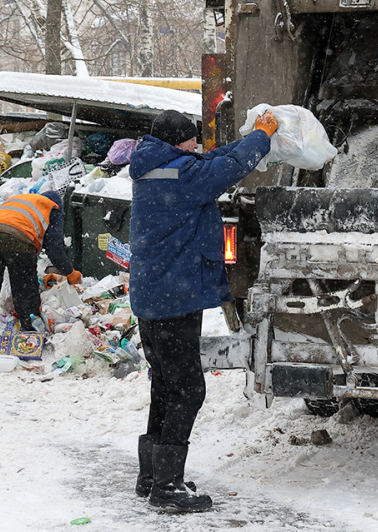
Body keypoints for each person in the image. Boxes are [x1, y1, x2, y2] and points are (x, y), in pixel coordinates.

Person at [129, 108, 277, 513]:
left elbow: (211, 159)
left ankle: (152, 476)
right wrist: (262, 136)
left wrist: (248, 139)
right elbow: (226, 168)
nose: (197, 144)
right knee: (188, 390)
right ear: (178, 142)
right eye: (192, 138)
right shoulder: (182, 176)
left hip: (154, 298)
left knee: (165, 386)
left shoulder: (158, 168)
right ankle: (167, 486)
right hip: (173, 301)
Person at [0, 191, 81, 343]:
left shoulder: (20, 199)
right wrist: (70, 272)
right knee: (24, 287)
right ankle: (30, 333)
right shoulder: (52, 208)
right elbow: (54, 248)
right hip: (18, 236)